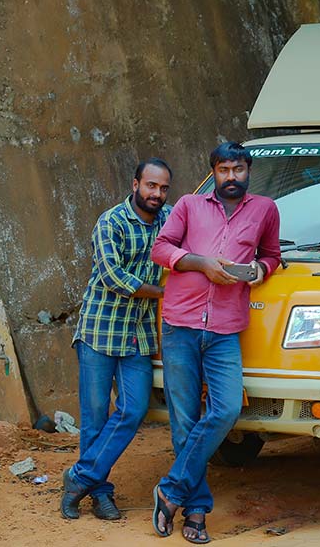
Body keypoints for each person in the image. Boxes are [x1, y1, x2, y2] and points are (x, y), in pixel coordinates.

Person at [149, 141, 281, 543]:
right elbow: (161, 249)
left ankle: (170, 490)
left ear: (248, 171)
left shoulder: (265, 209)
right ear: (214, 173)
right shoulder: (189, 205)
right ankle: (196, 511)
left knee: (226, 409)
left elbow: (272, 255)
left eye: (238, 169)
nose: (231, 177)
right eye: (224, 170)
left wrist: (258, 270)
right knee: (184, 421)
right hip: (180, 324)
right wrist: (202, 264)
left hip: (225, 328)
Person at [61, 158, 173, 520]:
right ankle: (100, 493)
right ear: (135, 184)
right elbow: (113, 277)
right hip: (100, 330)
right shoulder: (111, 222)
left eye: (163, 188)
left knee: (134, 410)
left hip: (139, 333)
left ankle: (79, 478)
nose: (157, 194)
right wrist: (164, 293)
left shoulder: (170, 219)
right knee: (95, 417)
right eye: (151, 185)